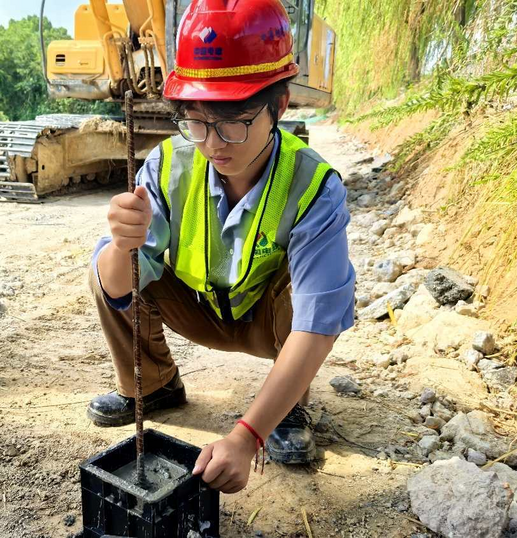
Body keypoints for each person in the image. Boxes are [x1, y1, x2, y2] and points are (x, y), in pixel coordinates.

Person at [87, 0, 355, 494]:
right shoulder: (168, 165)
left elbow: (318, 323)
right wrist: (124, 246)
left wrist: (246, 436)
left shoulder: (314, 187)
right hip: (198, 308)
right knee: (106, 263)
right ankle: (154, 385)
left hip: (269, 323)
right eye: (197, 121)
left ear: (279, 106)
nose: (213, 144)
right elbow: (118, 287)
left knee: (307, 291)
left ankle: (284, 408)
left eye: (233, 122)